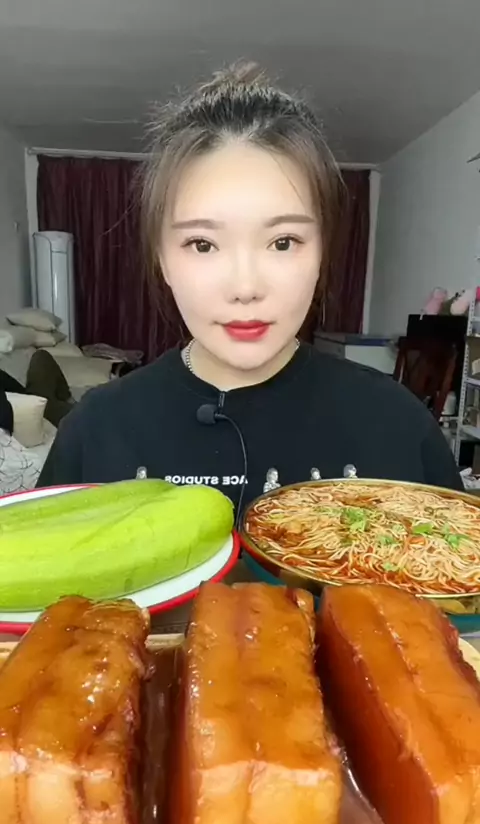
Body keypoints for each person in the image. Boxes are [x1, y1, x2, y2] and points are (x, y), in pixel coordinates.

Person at [37, 63, 462, 516]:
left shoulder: (398, 425)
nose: (245, 288)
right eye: (203, 244)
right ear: (162, 259)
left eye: (283, 242)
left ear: (322, 251)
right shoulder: (95, 431)